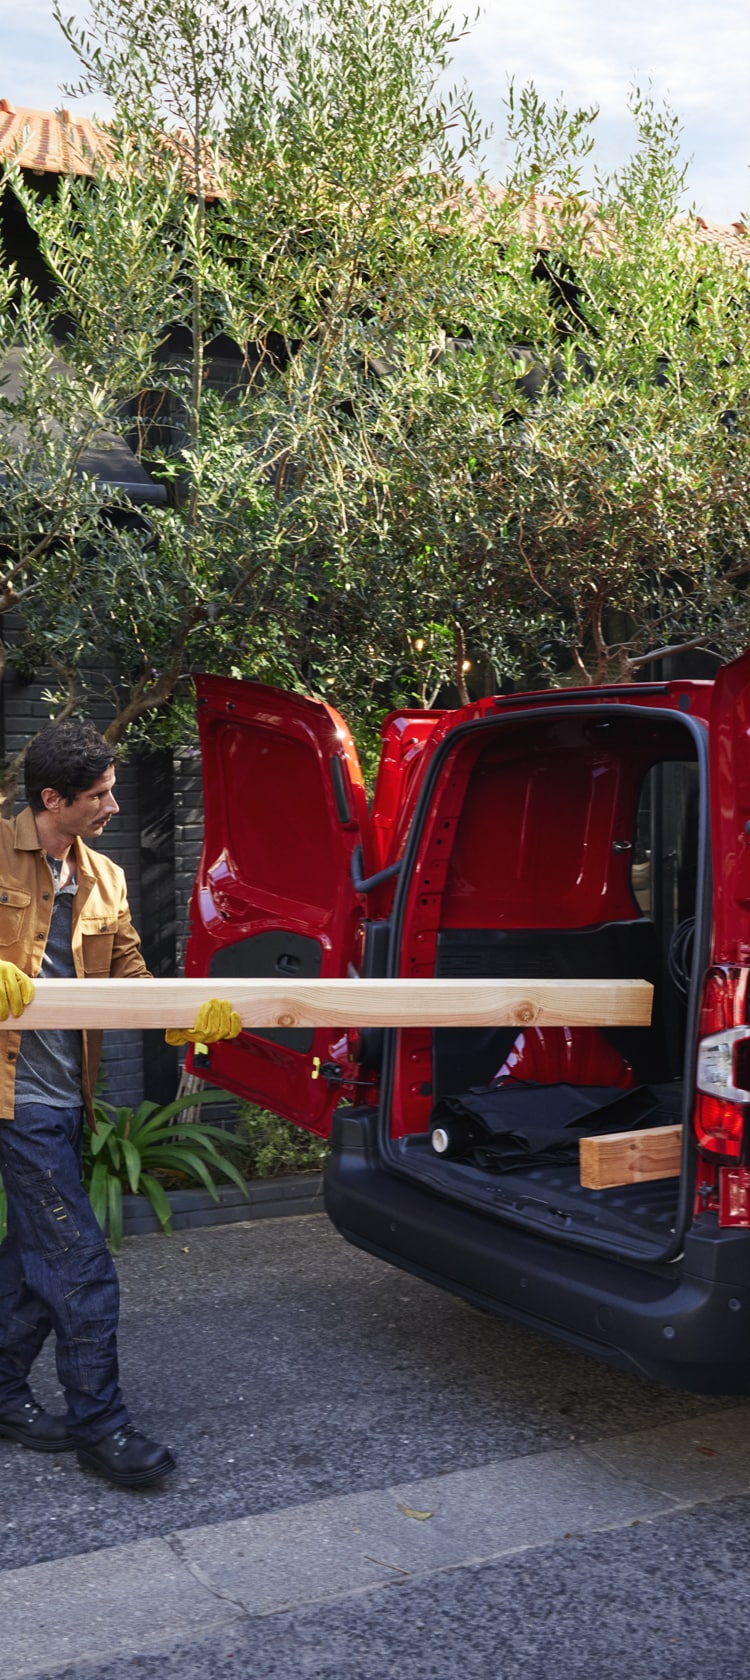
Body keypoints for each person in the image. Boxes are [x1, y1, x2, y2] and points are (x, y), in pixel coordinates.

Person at [0, 720, 240, 1489]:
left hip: (68, 1097)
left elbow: (131, 971)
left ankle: (2, 1394)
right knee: (80, 1264)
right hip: (12, 1099)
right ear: (53, 799)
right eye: (98, 795)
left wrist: (180, 1014)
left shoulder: (104, 877)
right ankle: (101, 1424)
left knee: (33, 1259)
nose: (111, 805)